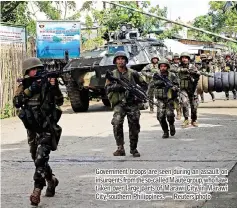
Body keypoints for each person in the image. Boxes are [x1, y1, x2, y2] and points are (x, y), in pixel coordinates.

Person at [13, 57, 63, 206]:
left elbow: (59, 101)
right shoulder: (24, 86)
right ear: (27, 72)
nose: (36, 71)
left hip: (47, 127)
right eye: (33, 70)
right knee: (37, 158)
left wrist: (53, 87)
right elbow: (16, 102)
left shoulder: (49, 83)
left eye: (38, 69)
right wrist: (30, 89)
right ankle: (51, 180)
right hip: (32, 129)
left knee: (41, 158)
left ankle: (36, 190)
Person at [105, 51, 147, 157]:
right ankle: (120, 148)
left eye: (122, 59)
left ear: (126, 61)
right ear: (115, 61)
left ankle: (133, 149)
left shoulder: (133, 73)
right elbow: (107, 89)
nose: (120, 61)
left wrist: (138, 94)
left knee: (134, 126)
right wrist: (117, 87)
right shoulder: (112, 75)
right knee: (117, 123)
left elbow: (144, 85)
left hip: (132, 103)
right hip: (119, 103)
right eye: (118, 59)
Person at [152, 59, 179, 138]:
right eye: (161, 66)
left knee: (170, 115)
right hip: (160, 99)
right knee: (160, 116)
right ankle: (165, 131)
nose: (163, 68)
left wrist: (174, 87)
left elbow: (177, 84)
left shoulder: (172, 75)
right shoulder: (156, 75)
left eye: (164, 66)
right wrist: (162, 82)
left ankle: (171, 124)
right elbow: (153, 83)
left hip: (170, 98)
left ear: (167, 67)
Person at [177, 52, 200, 128]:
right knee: (184, 102)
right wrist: (184, 70)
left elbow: (197, 77)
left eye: (186, 58)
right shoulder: (178, 67)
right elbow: (174, 70)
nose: (184, 59)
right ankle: (186, 119)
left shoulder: (192, 67)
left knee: (194, 106)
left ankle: (194, 120)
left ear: (188, 59)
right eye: (183, 58)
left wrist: (195, 74)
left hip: (192, 89)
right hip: (183, 89)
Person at [171, 53, 182, 120]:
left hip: (183, 84)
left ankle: (183, 111)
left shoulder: (183, 65)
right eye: (175, 59)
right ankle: (178, 112)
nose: (176, 60)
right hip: (175, 84)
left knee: (184, 100)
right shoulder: (171, 66)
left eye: (178, 59)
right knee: (176, 99)